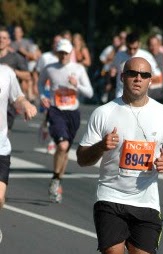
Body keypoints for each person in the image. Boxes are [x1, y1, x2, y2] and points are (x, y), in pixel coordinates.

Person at [76, 57, 163, 254]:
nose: (138, 78)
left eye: (144, 75)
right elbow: (82, 158)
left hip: (147, 202)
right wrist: (101, 146)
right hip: (110, 197)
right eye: (133, 73)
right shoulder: (104, 113)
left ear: (150, 80)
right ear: (122, 77)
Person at [38, 38, 94, 203]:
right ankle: (55, 179)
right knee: (62, 146)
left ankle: (57, 181)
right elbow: (41, 84)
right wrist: (42, 96)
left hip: (73, 114)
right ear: (57, 53)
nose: (63, 55)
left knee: (65, 149)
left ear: (71, 53)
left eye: (66, 53)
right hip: (56, 111)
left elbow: (89, 93)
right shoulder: (50, 68)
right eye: (60, 52)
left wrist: (77, 85)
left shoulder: (78, 69)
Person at [0, 64, 37, 209]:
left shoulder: (6, 72)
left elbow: (17, 97)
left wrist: (26, 104)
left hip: (1, 145)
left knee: (0, 197)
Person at [110, 31, 163, 99]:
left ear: (139, 44)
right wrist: (112, 73)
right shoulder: (119, 55)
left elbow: (158, 76)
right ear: (126, 44)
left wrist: (144, 79)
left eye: (135, 48)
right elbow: (113, 69)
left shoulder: (147, 56)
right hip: (121, 94)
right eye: (129, 48)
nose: (132, 51)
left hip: (140, 97)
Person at [0, 27, 31, 131]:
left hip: (9, 101)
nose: (1, 40)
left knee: (4, 133)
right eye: (0, 37)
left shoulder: (15, 57)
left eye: (4, 38)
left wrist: (12, 70)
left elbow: (27, 75)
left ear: (8, 41)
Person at [147, 34, 163, 104]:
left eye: (155, 45)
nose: (153, 47)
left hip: (161, 89)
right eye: (151, 45)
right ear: (148, 46)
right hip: (149, 90)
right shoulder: (145, 56)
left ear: (159, 45)